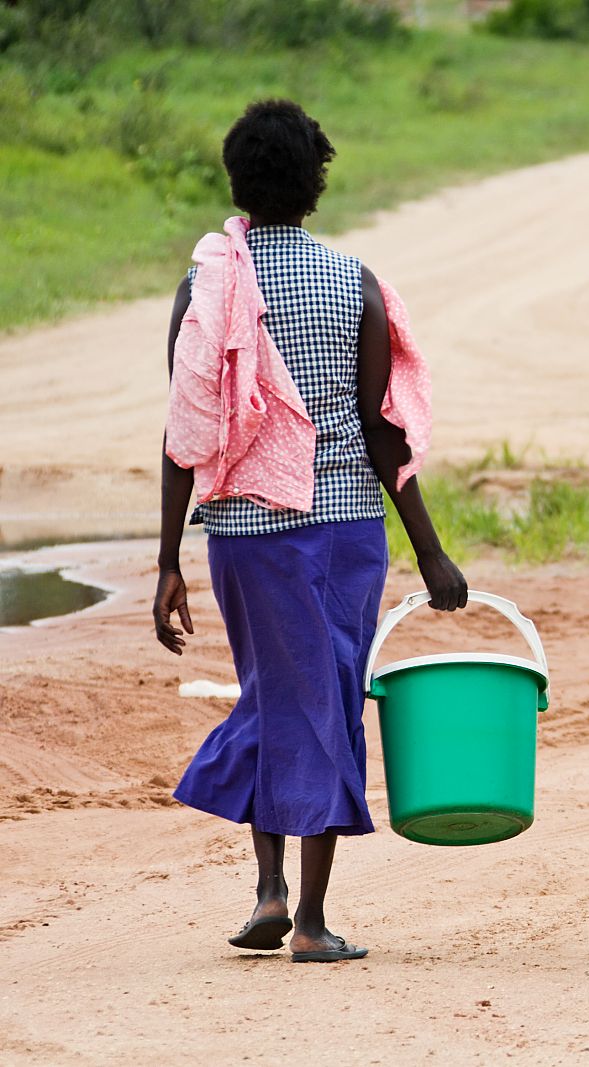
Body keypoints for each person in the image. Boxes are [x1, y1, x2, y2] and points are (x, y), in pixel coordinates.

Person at [153, 99, 467, 963]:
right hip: (341, 536)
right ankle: (310, 922)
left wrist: (167, 560)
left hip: (242, 535)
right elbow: (381, 432)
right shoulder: (356, 283)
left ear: (236, 183)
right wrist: (430, 550)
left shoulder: (205, 286)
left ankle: (268, 889)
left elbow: (187, 427)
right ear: (316, 182)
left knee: (271, 692)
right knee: (323, 698)